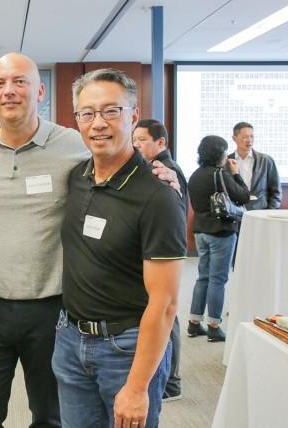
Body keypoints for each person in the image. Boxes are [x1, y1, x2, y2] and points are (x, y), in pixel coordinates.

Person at [0, 53, 180, 427]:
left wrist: (166, 179)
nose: (9, 91)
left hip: (52, 310)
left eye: (20, 82)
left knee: (50, 415)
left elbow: (167, 298)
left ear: (40, 91)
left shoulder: (74, 146)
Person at [54, 70, 187, 428]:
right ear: (77, 120)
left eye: (111, 111)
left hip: (126, 350)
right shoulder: (77, 177)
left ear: (133, 115)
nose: (98, 123)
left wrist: (138, 386)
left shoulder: (158, 196)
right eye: (87, 113)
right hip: (70, 341)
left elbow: (165, 304)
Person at [133, 119, 188, 403]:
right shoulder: (149, 168)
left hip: (164, 256)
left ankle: (171, 383)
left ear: (161, 142)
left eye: (142, 139)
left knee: (167, 316)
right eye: (136, 140)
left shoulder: (166, 171)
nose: (137, 145)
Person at [187, 136, 249, 342]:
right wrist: (236, 174)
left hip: (200, 232)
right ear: (219, 154)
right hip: (221, 231)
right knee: (218, 279)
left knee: (203, 277)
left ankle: (194, 323)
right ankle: (214, 326)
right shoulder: (220, 174)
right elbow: (243, 196)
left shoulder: (195, 175)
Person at [228, 122, 281, 210]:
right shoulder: (227, 162)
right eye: (245, 137)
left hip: (260, 212)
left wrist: (271, 211)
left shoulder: (266, 160)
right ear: (234, 138)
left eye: (252, 136)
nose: (249, 140)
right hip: (234, 213)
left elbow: (276, 191)